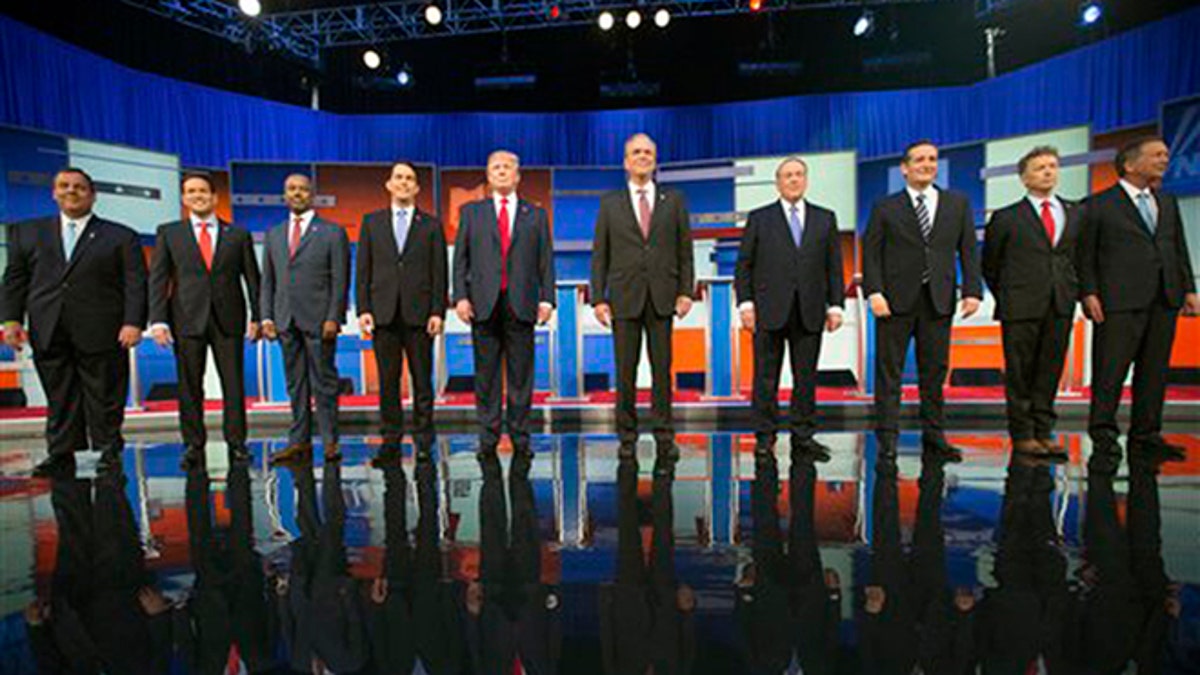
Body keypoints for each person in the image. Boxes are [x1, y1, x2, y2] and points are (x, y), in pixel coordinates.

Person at [2, 167, 147, 476]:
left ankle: (109, 450)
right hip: (48, 327)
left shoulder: (120, 236)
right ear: (54, 193)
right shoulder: (27, 232)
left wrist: (133, 322)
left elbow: (135, 284)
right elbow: (15, 280)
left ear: (92, 195)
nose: (72, 191)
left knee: (105, 393)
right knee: (59, 393)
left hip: (103, 328)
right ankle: (61, 453)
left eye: (80, 187)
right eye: (64, 186)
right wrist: (11, 320)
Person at [1078, 136, 1198, 472]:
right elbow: (1084, 255)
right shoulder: (1098, 205)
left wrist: (1188, 288)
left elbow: (1178, 248)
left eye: (1166, 154)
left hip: (1164, 298)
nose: (1164, 159)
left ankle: (1147, 437)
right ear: (1130, 164)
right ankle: (1103, 437)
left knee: (1154, 372)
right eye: (1157, 154)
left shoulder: (1168, 202)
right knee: (1110, 372)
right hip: (1117, 301)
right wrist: (1088, 292)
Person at [862, 139, 983, 461]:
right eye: (919, 160)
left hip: (939, 300)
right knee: (889, 374)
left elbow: (969, 250)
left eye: (932, 159)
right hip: (894, 302)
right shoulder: (885, 206)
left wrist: (973, 290)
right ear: (905, 168)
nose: (927, 164)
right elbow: (871, 253)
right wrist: (874, 292)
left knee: (934, 373)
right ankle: (887, 439)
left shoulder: (957, 203)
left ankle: (935, 437)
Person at [590, 133, 695, 459]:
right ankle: (627, 437)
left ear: (655, 159)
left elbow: (685, 251)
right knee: (625, 371)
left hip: (663, 297)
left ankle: (665, 436)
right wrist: (598, 298)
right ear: (625, 161)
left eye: (648, 152)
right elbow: (600, 255)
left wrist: (685, 292)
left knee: (662, 370)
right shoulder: (610, 203)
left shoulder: (673, 200)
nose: (642, 156)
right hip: (624, 298)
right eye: (636, 152)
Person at [735, 156, 846, 463]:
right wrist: (746, 304)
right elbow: (744, 265)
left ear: (806, 180)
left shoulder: (826, 218)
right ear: (778, 182)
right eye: (788, 175)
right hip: (768, 311)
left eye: (799, 174)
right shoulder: (760, 218)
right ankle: (764, 437)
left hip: (810, 310)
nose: (794, 180)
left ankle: (803, 437)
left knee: (806, 378)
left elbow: (833, 267)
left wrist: (836, 305)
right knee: (765, 378)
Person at [148, 173, 261, 470]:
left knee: (233, 386)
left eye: (203, 191)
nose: (197, 196)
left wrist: (259, 316)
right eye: (191, 191)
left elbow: (253, 280)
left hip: (229, 320)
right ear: (184, 198)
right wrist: (158, 320)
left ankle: (237, 444)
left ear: (213, 197)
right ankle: (193, 446)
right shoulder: (169, 233)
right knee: (189, 386)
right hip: (185, 318)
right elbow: (159, 278)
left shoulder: (238, 235)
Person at [452, 150, 555, 458]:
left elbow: (545, 261)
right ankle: (488, 437)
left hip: (521, 304)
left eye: (507, 167)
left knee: (522, 377)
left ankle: (521, 437)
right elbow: (461, 259)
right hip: (483, 304)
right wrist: (460, 296)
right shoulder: (472, 212)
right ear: (488, 175)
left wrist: (547, 298)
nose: (501, 171)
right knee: (486, 376)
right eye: (495, 167)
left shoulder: (535, 215)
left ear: (517, 175)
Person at [982, 146, 1082, 460]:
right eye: (1040, 167)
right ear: (1024, 177)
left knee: (1050, 371)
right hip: (1020, 305)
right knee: (1021, 373)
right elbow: (991, 265)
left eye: (1053, 166)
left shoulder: (1075, 211)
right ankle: (1023, 434)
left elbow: (1079, 258)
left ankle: (1044, 431)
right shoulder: (1006, 217)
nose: (1048, 172)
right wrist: (1010, 295)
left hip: (1060, 303)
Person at [356, 161, 448, 465]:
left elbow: (439, 272)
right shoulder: (371, 222)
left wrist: (438, 311)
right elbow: (363, 270)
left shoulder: (431, 225)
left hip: (421, 315)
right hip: (383, 314)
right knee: (388, 382)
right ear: (389, 184)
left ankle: (423, 442)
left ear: (417, 188)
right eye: (399, 177)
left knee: (422, 382)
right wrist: (364, 309)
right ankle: (390, 442)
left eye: (410, 178)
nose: (404, 182)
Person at [260, 173, 350, 465]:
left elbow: (340, 279)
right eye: (291, 189)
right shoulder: (274, 234)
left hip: (319, 321)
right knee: (295, 384)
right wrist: (266, 316)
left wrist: (333, 317)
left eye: (303, 189)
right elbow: (268, 282)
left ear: (312, 195)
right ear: (285, 195)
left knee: (324, 383)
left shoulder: (332, 232)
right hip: (285, 320)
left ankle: (330, 442)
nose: (297, 193)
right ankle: (298, 442)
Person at [600, 454, 696, 675]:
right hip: (665, 606)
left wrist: (605, 601)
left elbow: (608, 643)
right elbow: (687, 643)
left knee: (627, 530)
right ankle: (663, 471)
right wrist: (688, 610)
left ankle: (626, 464)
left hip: (628, 605)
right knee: (663, 533)